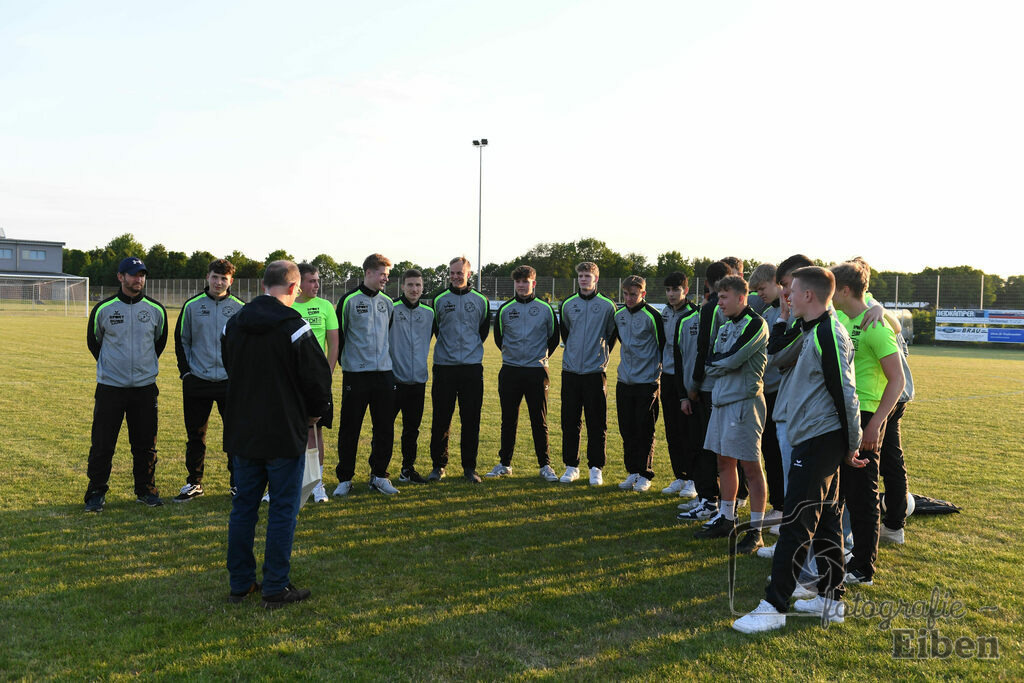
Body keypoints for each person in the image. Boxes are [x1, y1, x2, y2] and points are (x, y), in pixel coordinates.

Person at [733, 266, 863, 634]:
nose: (786, 296)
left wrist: (850, 446)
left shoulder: (829, 333)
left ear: (809, 295)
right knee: (825, 521)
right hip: (813, 436)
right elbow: (777, 354)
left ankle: (773, 605)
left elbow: (846, 394)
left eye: (794, 292)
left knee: (796, 522)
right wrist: (787, 319)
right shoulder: (810, 328)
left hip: (823, 439)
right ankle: (831, 598)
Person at [223, 260, 332, 609]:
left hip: (243, 429)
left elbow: (229, 365)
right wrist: (315, 412)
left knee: (244, 507)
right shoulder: (294, 325)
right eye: (298, 287)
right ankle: (275, 586)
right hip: (284, 430)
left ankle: (240, 584)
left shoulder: (235, 322)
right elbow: (316, 377)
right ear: (292, 287)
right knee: (283, 509)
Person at [831, 261, 905, 586]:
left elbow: (897, 380)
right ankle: (844, 553)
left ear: (844, 290)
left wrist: (875, 424)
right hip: (846, 412)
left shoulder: (875, 326)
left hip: (867, 416)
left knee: (863, 493)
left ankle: (863, 568)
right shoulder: (845, 318)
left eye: (832, 288)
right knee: (842, 489)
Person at [84, 256, 168, 511]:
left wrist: (141, 368)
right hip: (110, 388)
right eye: (133, 274)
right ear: (120, 277)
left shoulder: (156, 309)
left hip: (144, 389)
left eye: (142, 274)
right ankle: (96, 493)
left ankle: (146, 490)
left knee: (145, 445)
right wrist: (114, 367)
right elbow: (94, 342)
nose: (138, 279)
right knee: (102, 444)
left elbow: (158, 343)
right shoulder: (103, 309)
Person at [694, 276, 769, 554]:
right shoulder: (725, 327)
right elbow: (711, 359)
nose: (718, 303)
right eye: (717, 297)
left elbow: (730, 360)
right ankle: (727, 519)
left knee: (750, 467)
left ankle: (756, 530)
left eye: (723, 297)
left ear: (741, 297)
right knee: (724, 462)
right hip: (722, 401)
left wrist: (719, 364)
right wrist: (719, 364)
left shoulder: (756, 324)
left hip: (744, 404)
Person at [172, 258, 244, 502]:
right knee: (195, 436)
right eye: (215, 276)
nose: (218, 281)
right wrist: (186, 373)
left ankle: (237, 483)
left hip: (229, 382)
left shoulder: (240, 308)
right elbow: (182, 340)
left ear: (231, 281)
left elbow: (246, 346)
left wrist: (239, 374)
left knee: (235, 434)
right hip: (198, 381)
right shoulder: (192, 306)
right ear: (207, 277)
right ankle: (194, 482)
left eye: (224, 278)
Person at [486, 265, 561, 481]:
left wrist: (538, 358)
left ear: (533, 283)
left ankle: (545, 466)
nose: (521, 285)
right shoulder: (505, 309)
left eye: (525, 281)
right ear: (514, 284)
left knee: (540, 420)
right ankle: (505, 464)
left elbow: (553, 338)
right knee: (508, 420)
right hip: (510, 371)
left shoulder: (545, 309)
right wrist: (514, 357)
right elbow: (499, 339)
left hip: (537, 371)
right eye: (518, 281)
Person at [333, 254, 398, 496]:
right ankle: (345, 478)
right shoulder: (348, 300)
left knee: (384, 428)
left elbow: (387, 334)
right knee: (350, 428)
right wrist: (349, 364)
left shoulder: (387, 302)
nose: (385, 278)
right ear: (368, 272)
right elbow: (339, 337)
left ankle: (379, 476)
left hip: (384, 374)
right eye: (382, 274)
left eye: (387, 275)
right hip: (356, 375)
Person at [428, 257, 491, 483]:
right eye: (452, 273)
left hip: (472, 369)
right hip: (444, 368)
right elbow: (436, 329)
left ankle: (469, 467)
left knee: (471, 420)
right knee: (441, 419)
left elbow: (482, 331)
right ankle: (438, 466)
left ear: (468, 274)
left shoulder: (481, 300)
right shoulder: (439, 300)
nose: (456, 277)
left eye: (460, 273)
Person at [677, 261, 730, 521]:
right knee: (716, 446)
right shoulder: (736, 309)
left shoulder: (711, 308)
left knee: (706, 445)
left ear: (707, 283)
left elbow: (704, 350)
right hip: (722, 388)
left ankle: (709, 500)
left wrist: (694, 386)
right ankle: (714, 499)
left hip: (710, 388)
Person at [557, 261, 617, 485]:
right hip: (570, 371)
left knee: (596, 421)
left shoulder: (607, 306)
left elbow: (611, 335)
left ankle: (595, 467)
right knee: (570, 421)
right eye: (581, 275)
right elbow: (566, 334)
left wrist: (598, 356)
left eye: (587, 276)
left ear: (596, 279)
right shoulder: (567, 304)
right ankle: (571, 466)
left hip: (595, 372)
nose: (583, 279)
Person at [291, 263, 339, 503]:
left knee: (316, 430)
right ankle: (284, 483)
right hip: (290, 382)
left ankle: (317, 483)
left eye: (317, 280)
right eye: (311, 280)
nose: (316, 285)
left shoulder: (325, 307)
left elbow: (334, 345)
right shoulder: (287, 305)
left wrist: (325, 377)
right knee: (287, 431)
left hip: (317, 383)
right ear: (298, 284)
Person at [613, 275, 666, 492]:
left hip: (647, 382)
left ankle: (645, 473)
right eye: (625, 294)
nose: (629, 298)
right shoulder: (619, 315)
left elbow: (663, 346)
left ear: (643, 294)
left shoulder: (653, 316)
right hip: (624, 380)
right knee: (627, 428)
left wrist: (657, 375)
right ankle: (632, 471)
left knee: (644, 428)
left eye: (633, 294)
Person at [748, 263, 785, 530]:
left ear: (777, 282)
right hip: (768, 391)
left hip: (783, 393)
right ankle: (779, 505)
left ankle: (784, 508)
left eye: (762, 288)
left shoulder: (788, 311)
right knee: (770, 450)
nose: (759, 294)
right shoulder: (769, 310)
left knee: (780, 452)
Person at [390, 269, 434, 484]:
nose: (414, 289)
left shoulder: (429, 312)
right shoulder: (391, 308)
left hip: (418, 381)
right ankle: (378, 472)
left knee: (412, 430)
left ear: (422, 287)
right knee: (384, 429)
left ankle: (407, 469)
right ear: (403, 287)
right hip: (393, 381)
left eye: (418, 285)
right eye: (410, 285)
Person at [658, 272, 699, 498]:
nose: (671, 294)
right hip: (668, 376)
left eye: (676, 289)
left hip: (686, 379)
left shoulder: (695, 315)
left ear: (686, 290)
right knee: (672, 429)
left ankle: (693, 478)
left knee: (689, 430)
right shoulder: (664, 313)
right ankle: (680, 476)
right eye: (668, 290)